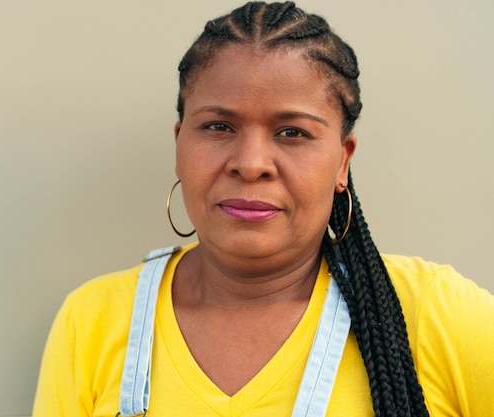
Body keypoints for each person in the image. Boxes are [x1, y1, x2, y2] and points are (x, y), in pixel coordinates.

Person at [32, 2, 494, 416]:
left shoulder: (438, 315)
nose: (250, 165)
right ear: (179, 146)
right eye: (218, 126)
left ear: (342, 161)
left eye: (292, 132)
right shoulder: (92, 320)